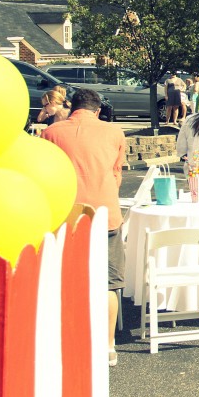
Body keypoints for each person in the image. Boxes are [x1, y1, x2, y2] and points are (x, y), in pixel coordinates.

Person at [41, 88, 126, 366]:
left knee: (65, 279)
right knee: (108, 284)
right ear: (97, 110)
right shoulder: (114, 132)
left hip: (67, 214)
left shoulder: (51, 133)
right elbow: (116, 174)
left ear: (71, 106)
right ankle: (108, 345)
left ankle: (67, 338)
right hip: (105, 212)